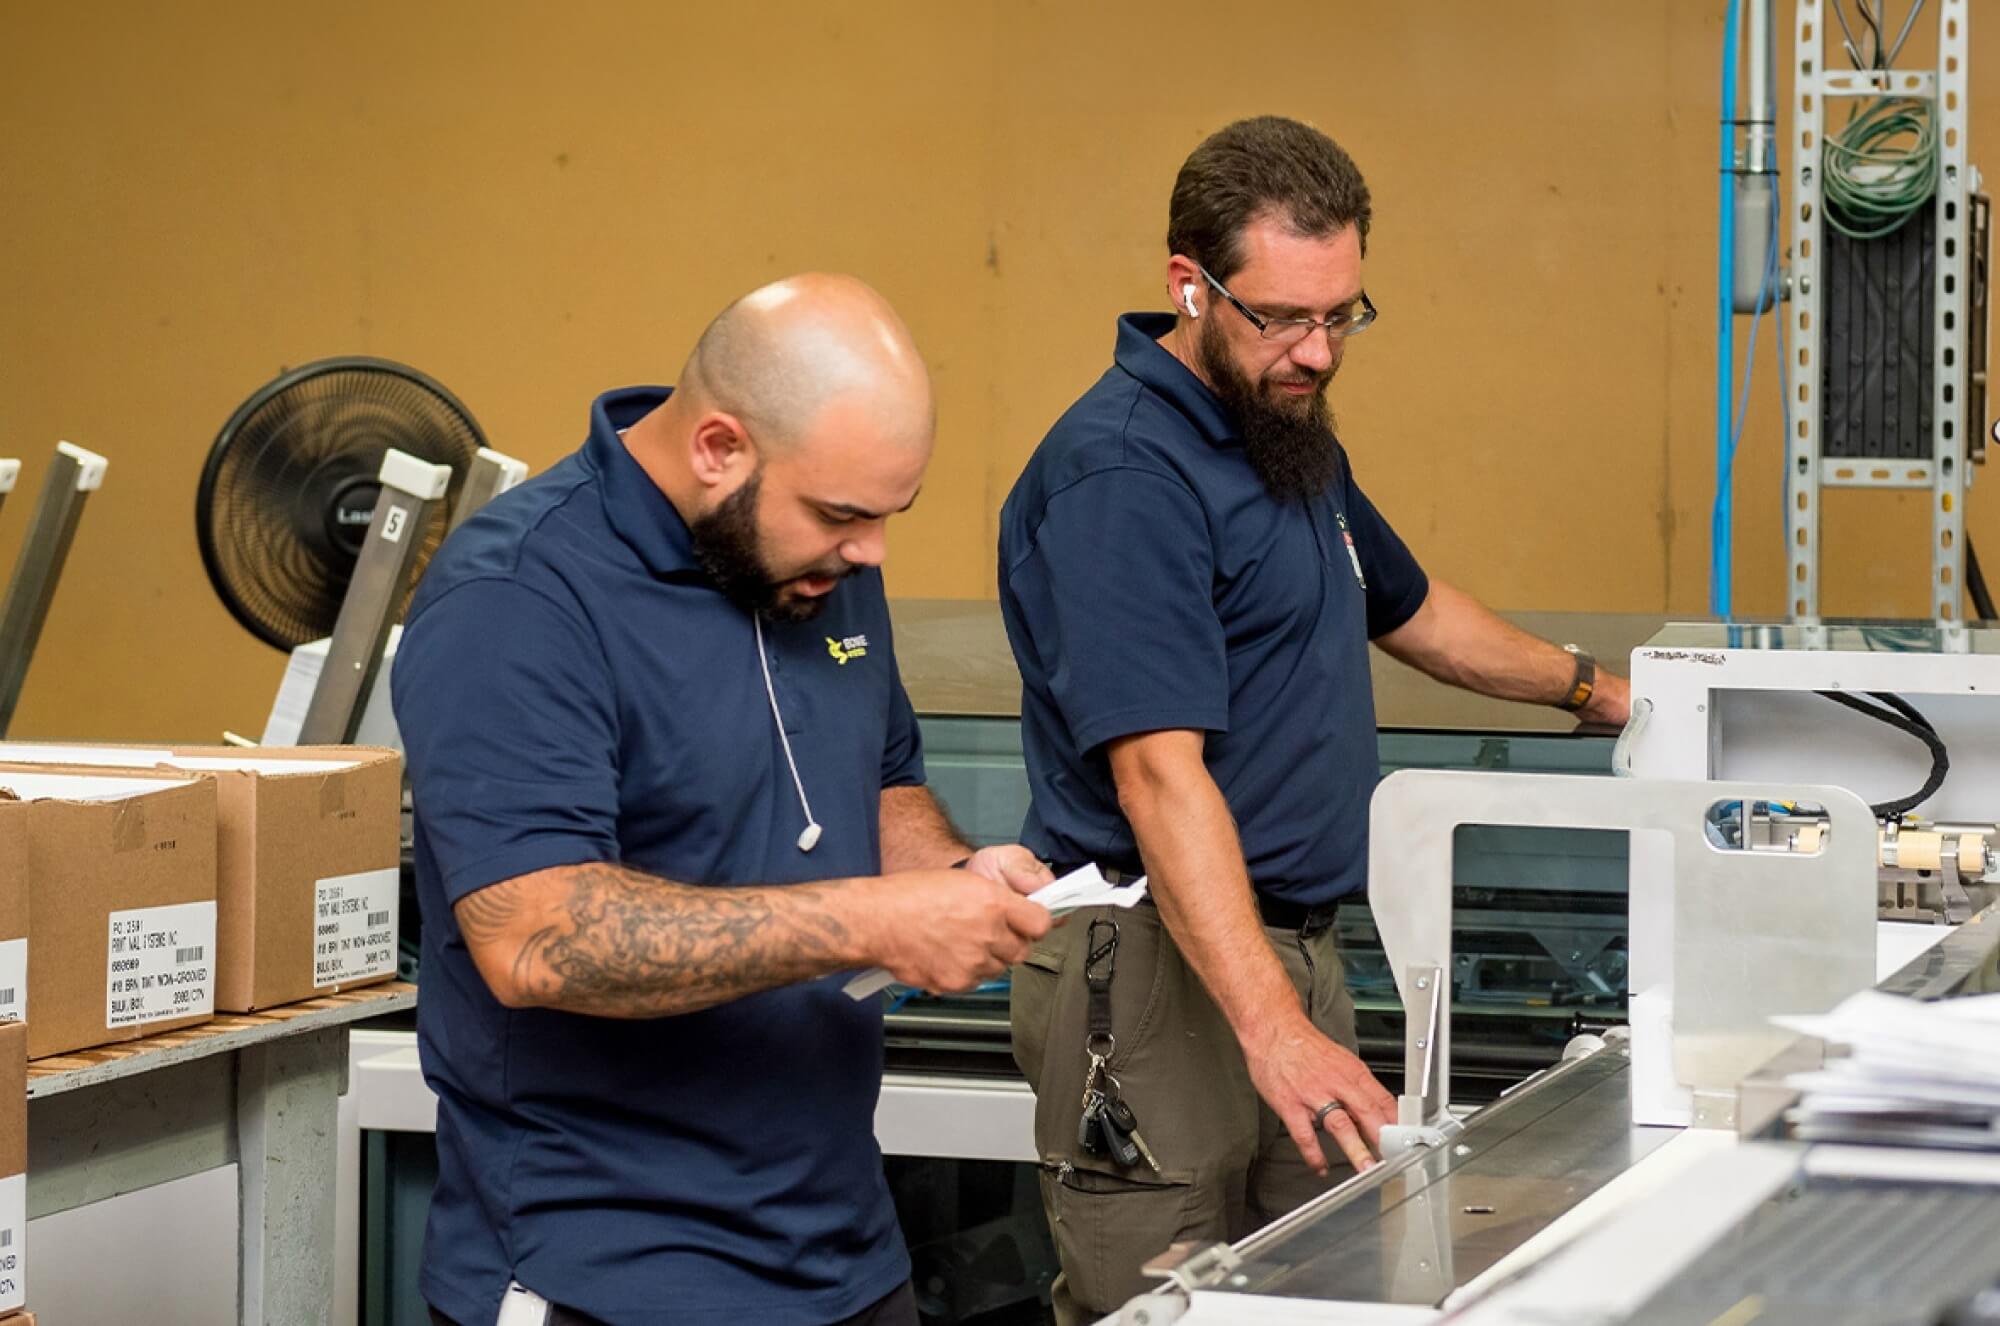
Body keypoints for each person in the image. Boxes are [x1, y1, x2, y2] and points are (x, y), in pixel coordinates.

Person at [997, 116, 1632, 1321]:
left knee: (1323, 1288)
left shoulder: (1281, 440)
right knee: (1165, 1303)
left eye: (1340, 314)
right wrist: (1272, 1030)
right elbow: (1157, 778)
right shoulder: (1123, 477)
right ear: (1187, 284)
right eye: (1281, 316)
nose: (1317, 352)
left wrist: (1604, 697)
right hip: (1155, 969)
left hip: (1292, 949)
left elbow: (1412, 609)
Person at [393, 273, 1055, 1326]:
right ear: (718, 448)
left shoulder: (820, 559)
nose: (869, 552)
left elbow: (881, 783)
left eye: (887, 516)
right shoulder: (519, 596)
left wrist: (948, 877)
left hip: (842, 1247)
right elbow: (533, 938)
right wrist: (876, 919)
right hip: (609, 1271)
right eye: (840, 514)